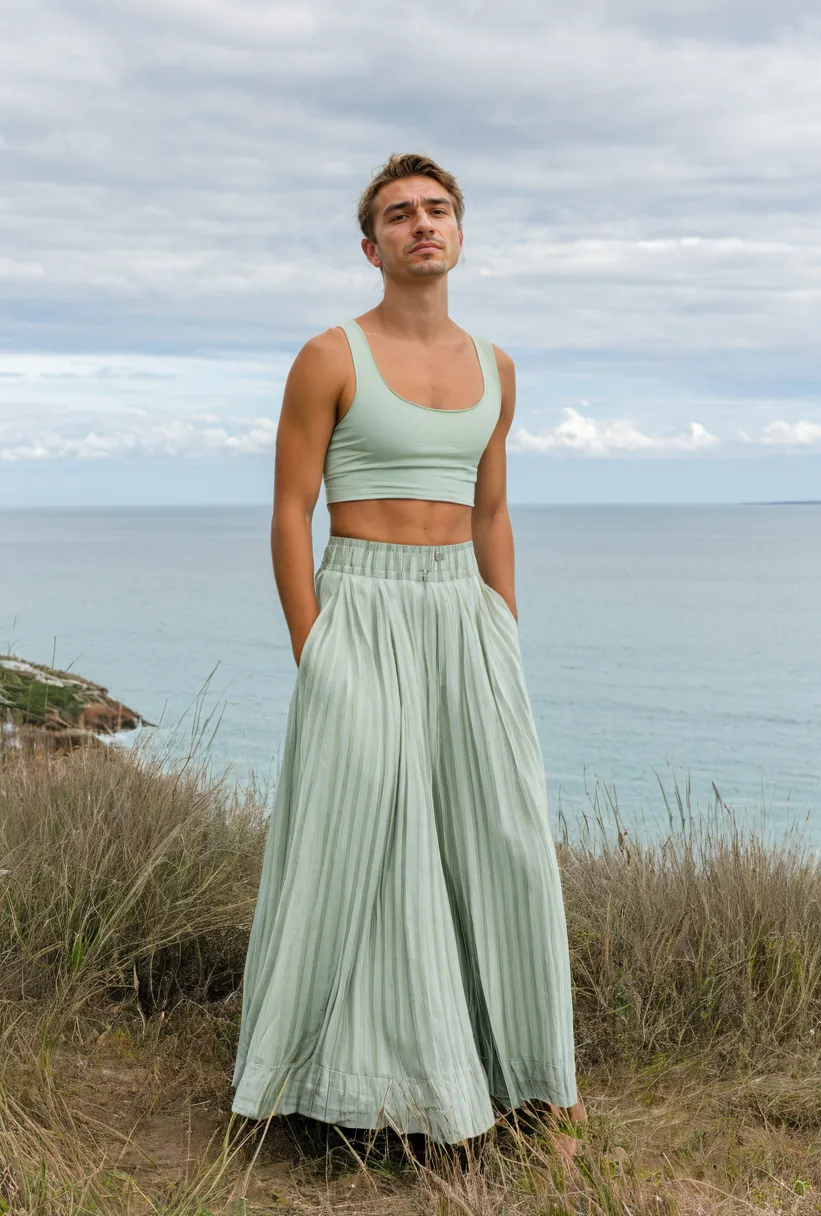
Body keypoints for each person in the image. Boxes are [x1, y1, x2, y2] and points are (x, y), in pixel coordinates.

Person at [230, 152, 586, 1149]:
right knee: (358, 843)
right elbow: (290, 514)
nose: (419, 225)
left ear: (459, 234)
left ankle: (525, 1079)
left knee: (502, 834)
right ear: (371, 245)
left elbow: (493, 509)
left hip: (463, 616)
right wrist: (317, 650)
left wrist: (502, 631)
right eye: (398, 215)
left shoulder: (497, 369)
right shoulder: (329, 356)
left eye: (436, 210)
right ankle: (320, 1088)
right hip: (362, 605)